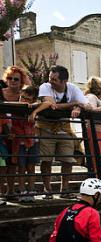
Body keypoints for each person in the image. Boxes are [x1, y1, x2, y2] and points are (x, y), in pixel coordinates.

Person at [32, 65, 90, 199]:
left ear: (64, 81)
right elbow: (53, 105)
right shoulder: (45, 87)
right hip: (46, 127)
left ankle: (65, 189)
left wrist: (78, 107)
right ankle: (48, 189)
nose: (50, 81)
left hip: (64, 128)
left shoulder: (73, 88)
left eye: (54, 79)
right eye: (50, 78)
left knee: (68, 160)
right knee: (46, 160)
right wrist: (74, 103)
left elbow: (86, 105)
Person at [1, 66, 31, 201]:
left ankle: (11, 191)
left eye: (16, 79)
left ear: (21, 81)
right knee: (1, 165)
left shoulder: (23, 95)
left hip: (17, 133)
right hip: (2, 132)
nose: (12, 81)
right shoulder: (0, 92)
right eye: (9, 78)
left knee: (13, 163)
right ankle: (1, 193)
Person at [11, 86, 41, 202]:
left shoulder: (35, 108)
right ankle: (22, 190)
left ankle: (31, 190)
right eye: (22, 97)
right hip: (20, 140)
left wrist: (34, 108)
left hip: (33, 139)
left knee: (31, 166)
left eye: (27, 99)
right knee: (21, 166)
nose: (23, 100)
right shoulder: (16, 107)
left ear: (33, 100)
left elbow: (44, 103)